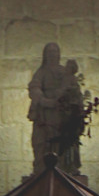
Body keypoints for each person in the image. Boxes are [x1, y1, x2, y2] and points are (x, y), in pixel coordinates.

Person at [27, 41, 68, 172]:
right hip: (44, 114)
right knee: (41, 141)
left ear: (59, 54)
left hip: (60, 113)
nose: (52, 54)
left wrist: (61, 98)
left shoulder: (64, 72)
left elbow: (71, 88)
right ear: (45, 55)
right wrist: (42, 100)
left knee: (61, 141)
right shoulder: (41, 72)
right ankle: (41, 167)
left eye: (55, 51)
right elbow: (34, 86)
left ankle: (63, 167)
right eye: (49, 52)